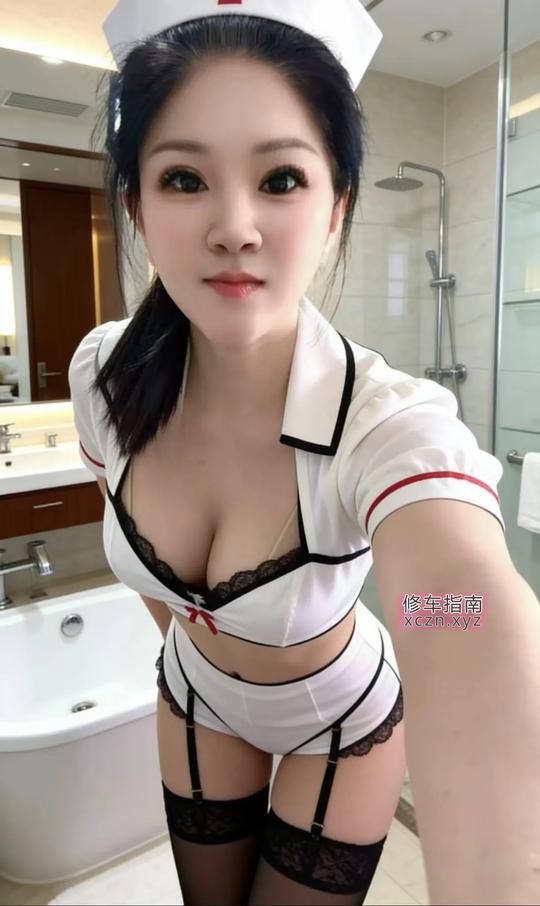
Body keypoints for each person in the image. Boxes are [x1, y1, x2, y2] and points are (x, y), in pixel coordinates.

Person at [68, 2, 540, 904]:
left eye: (281, 178)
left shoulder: (387, 425)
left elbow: (459, 609)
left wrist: (439, 616)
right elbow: (151, 576)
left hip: (340, 720)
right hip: (197, 696)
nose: (235, 227)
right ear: (136, 207)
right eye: (183, 179)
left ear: (336, 209)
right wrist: (205, 649)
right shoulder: (103, 378)